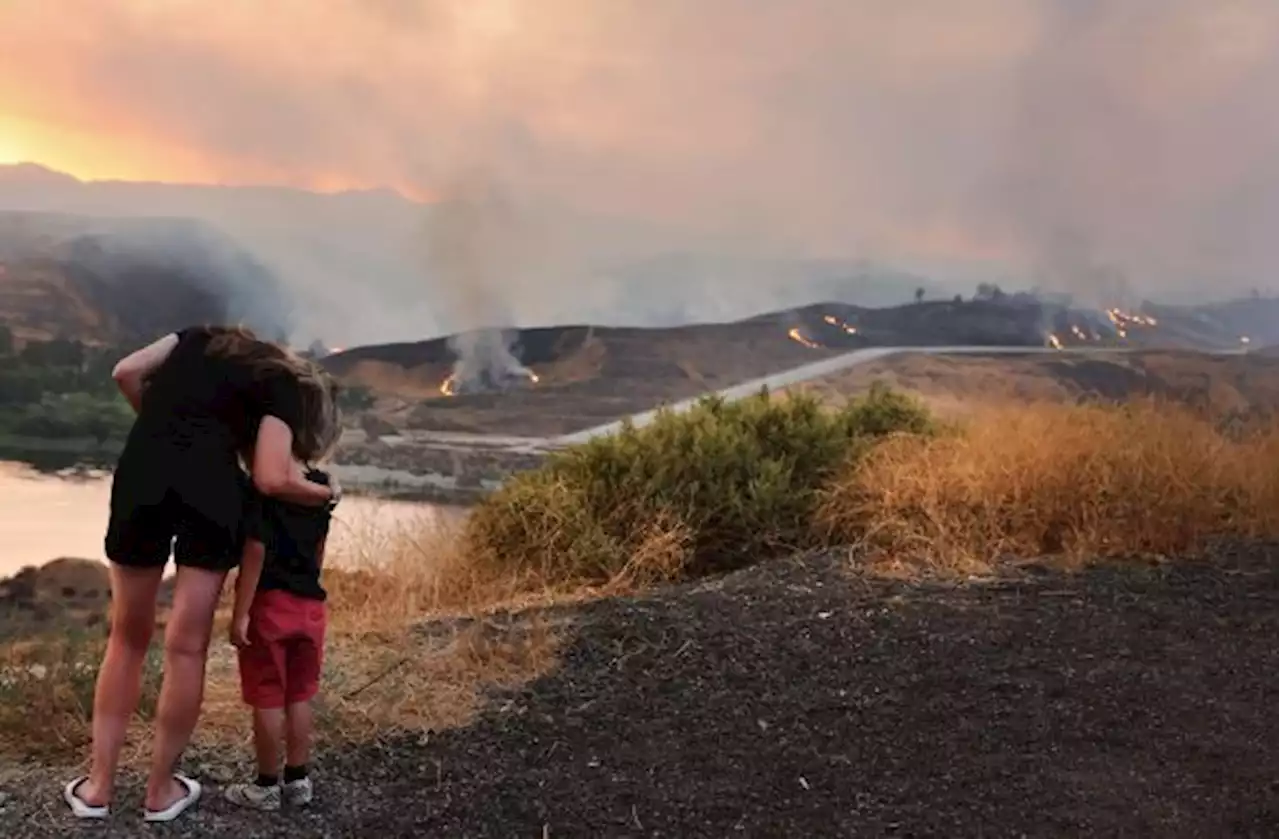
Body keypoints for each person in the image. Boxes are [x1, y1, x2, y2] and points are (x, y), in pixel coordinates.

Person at [62, 325, 342, 824]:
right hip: (211, 489)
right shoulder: (282, 384)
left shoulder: (194, 338)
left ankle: (98, 788)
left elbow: (125, 372)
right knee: (186, 647)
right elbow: (272, 477)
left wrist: (164, 434)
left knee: (126, 638)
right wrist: (326, 493)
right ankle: (160, 792)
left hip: (143, 473)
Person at [223, 456, 337, 811]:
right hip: (310, 606)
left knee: (268, 696)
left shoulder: (265, 485)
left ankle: (266, 785)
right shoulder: (318, 487)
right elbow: (319, 548)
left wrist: (240, 614)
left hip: (271, 606)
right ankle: (299, 779)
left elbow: (256, 549)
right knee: (299, 695)